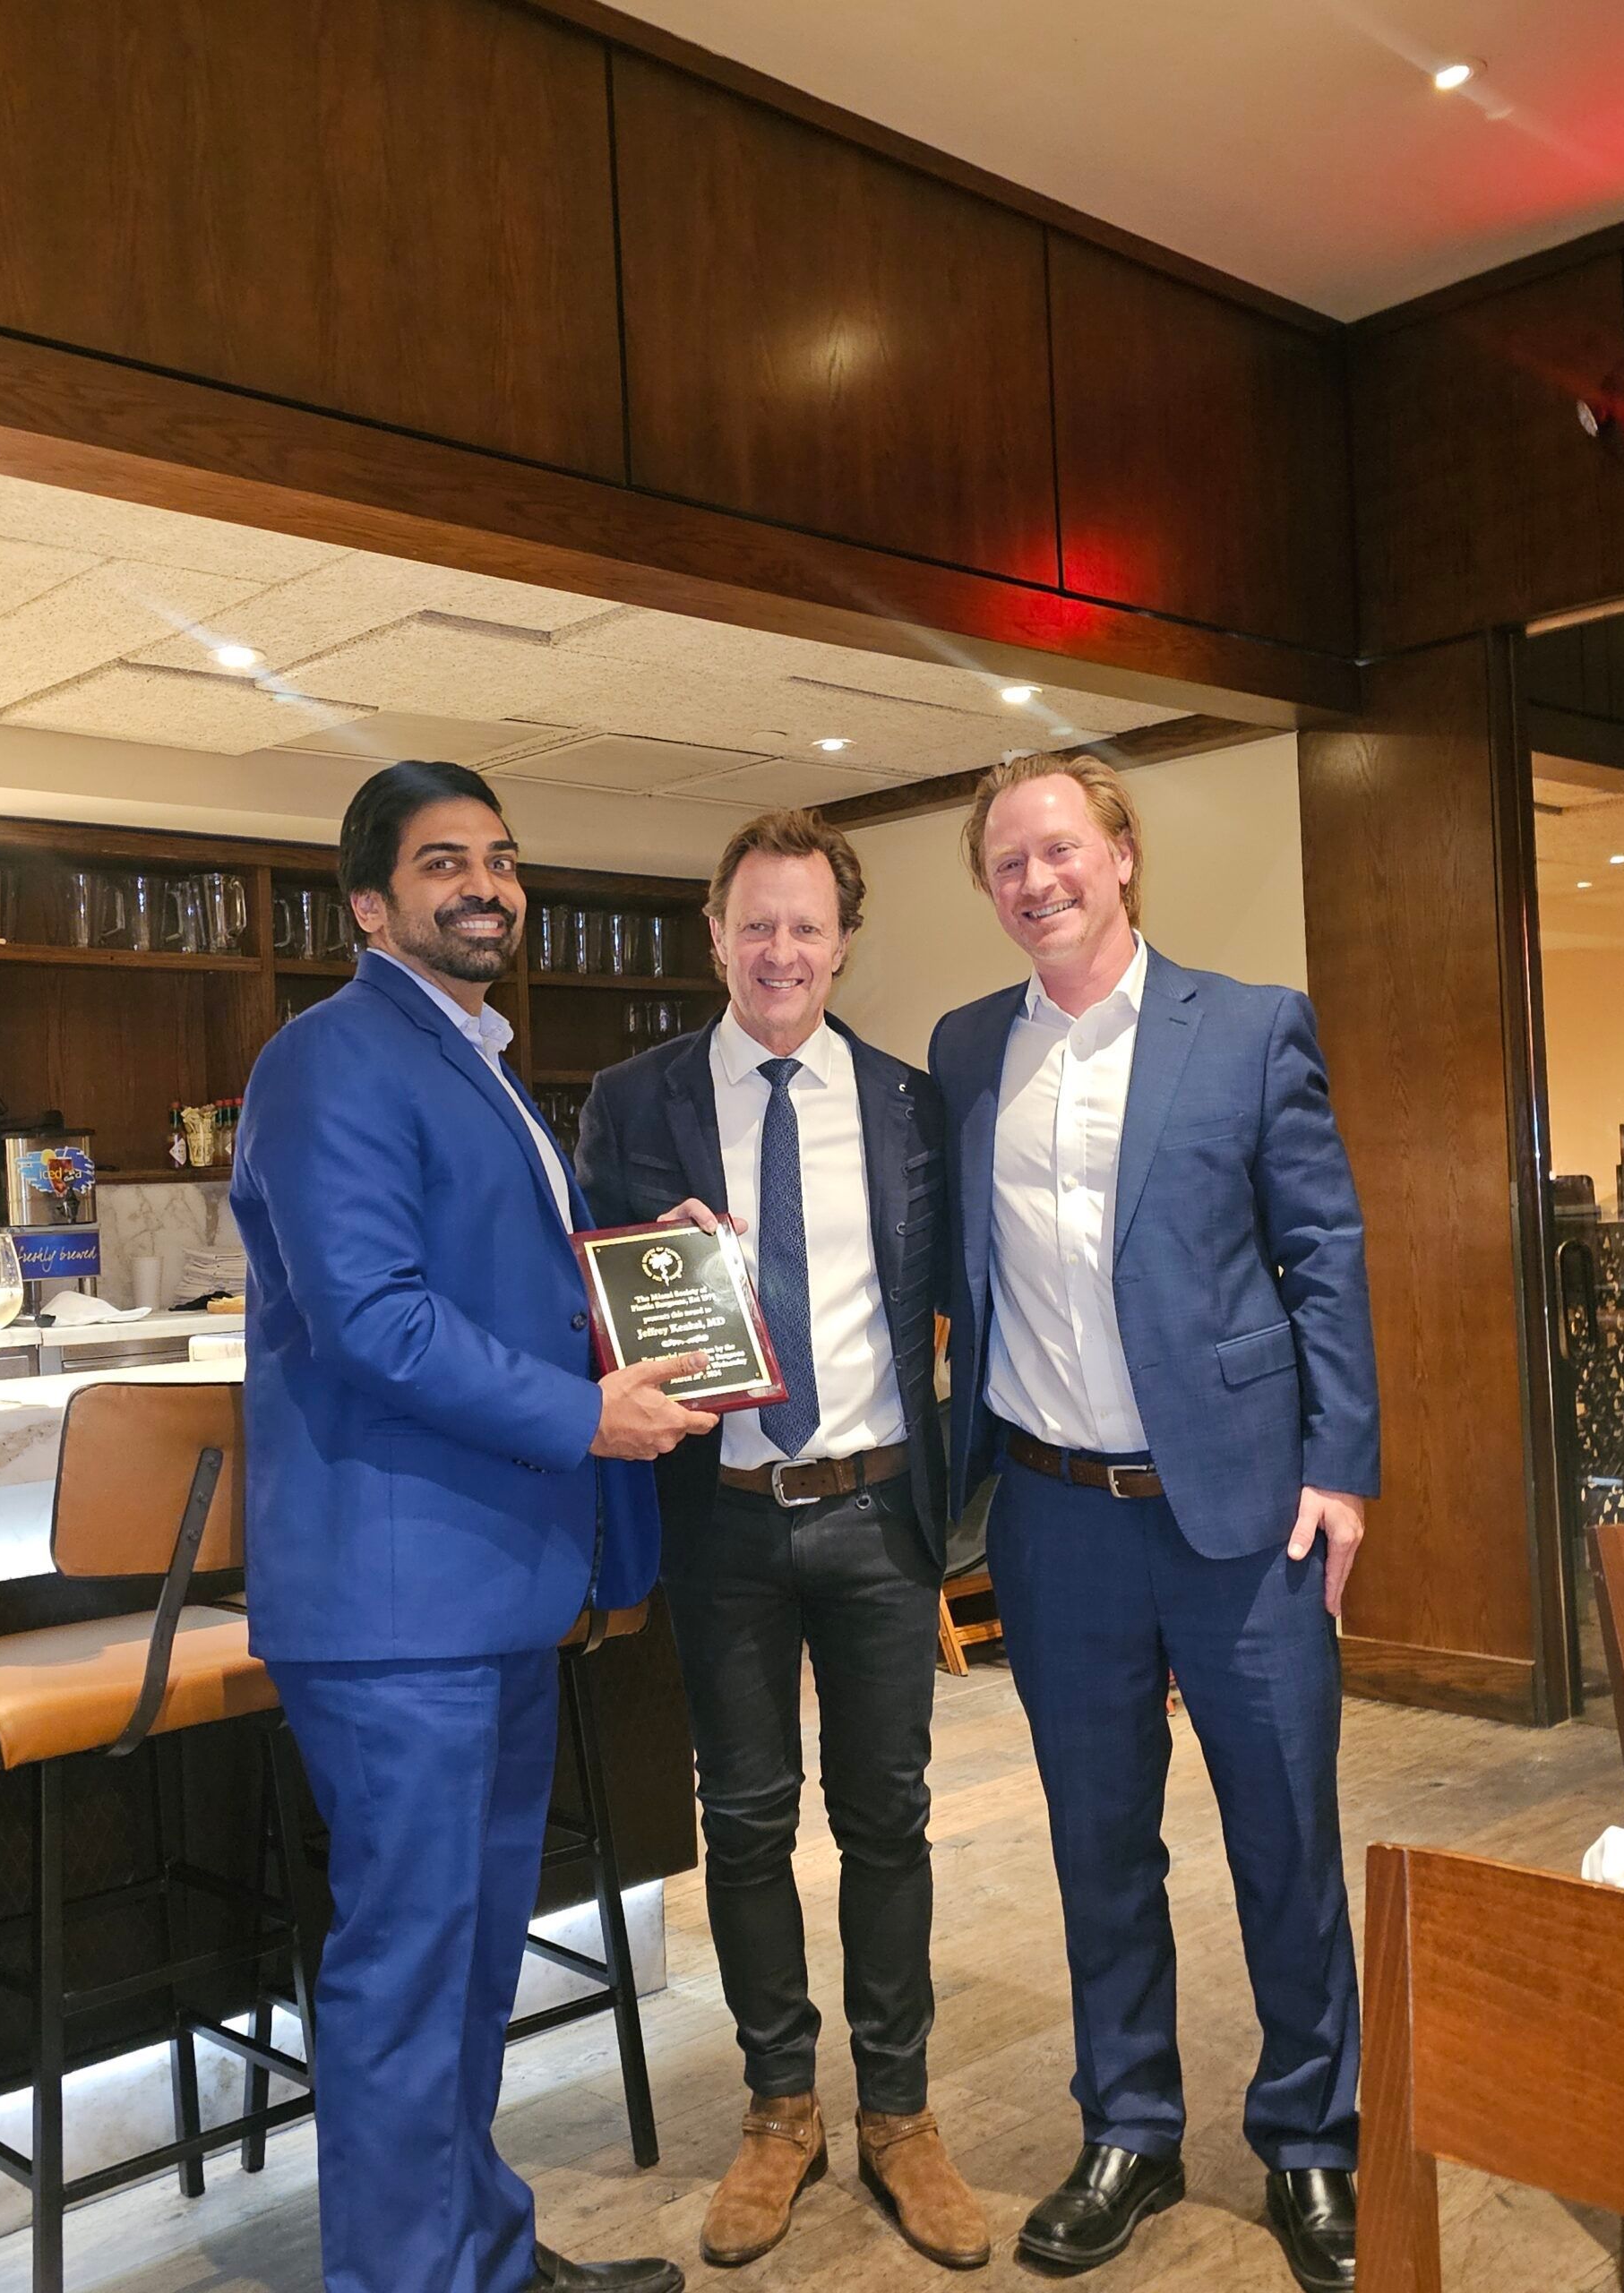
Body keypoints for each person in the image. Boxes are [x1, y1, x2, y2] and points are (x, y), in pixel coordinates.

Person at [233, 759, 717, 2293]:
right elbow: (372, 1317)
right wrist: (587, 1416)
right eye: (445, 862)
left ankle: (478, 2256)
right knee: (410, 1975)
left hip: (489, 1596)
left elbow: (503, 1284)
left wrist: (650, 1263)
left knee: (466, 1966)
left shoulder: (474, 1062)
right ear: (371, 904)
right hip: (397, 1610)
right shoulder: (331, 1059)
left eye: (501, 858)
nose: (487, 885)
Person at [927, 752, 1378, 2293]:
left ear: (1120, 855)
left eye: (1060, 848)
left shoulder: (1246, 1025)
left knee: (1284, 1839)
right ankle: (1129, 2123)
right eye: (1006, 863)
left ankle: (1314, 2141)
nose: (1036, 879)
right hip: (1057, 1522)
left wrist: (1342, 1465)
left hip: (1245, 1514)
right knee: (1097, 1844)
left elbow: (1323, 1251)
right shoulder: (968, 1046)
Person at [578, 811, 989, 2272]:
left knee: (889, 1821)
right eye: (756, 924)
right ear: (714, 931)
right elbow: (586, 1308)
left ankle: (900, 2113)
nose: (780, 952)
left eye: (807, 927)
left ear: (843, 941)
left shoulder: (906, 1101)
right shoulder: (631, 1105)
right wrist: (635, 1283)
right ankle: (778, 2110)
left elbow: (956, 1293)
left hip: (876, 1512)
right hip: (724, 1523)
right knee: (743, 1824)